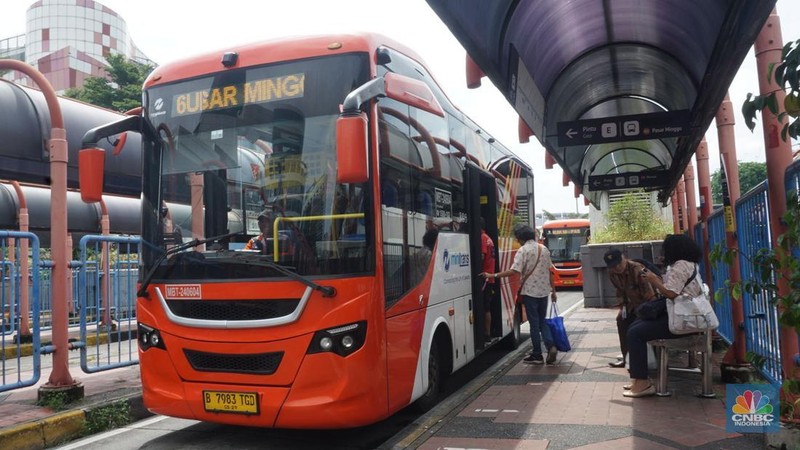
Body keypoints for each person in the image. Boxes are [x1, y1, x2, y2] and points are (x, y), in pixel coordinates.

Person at [624, 234, 705, 398]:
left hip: (684, 321)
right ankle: (639, 379)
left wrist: (653, 279)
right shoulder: (687, 264)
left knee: (636, 333)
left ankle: (642, 383)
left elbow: (671, 293)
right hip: (681, 316)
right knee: (635, 326)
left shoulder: (682, 265)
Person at [481, 224, 558, 365]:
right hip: (544, 292)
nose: (518, 241)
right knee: (543, 322)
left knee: (534, 325)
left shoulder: (523, 250)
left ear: (521, 238)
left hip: (530, 292)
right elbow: (550, 272)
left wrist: (493, 275)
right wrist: (553, 292)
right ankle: (551, 346)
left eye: (517, 238)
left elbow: (514, 271)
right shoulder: (544, 249)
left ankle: (537, 355)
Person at [603, 248, 658, 368]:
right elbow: (619, 290)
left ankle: (644, 361)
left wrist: (647, 312)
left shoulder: (636, 269)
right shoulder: (612, 273)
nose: (617, 268)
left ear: (623, 258)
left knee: (636, 328)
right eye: (613, 266)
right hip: (630, 305)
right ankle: (626, 358)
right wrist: (623, 307)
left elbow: (649, 294)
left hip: (645, 305)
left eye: (619, 264)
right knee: (621, 322)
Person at [480, 218, 497, 343]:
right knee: (487, 307)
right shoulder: (489, 238)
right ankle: (487, 333)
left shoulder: (482, 238)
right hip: (490, 277)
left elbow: (481, 256)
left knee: (485, 307)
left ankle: (486, 334)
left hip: (485, 277)